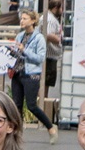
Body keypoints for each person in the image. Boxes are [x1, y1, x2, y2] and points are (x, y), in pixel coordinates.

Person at [7, 11, 58, 139]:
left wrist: (24, 50)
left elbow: (40, 58)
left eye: (25, 18)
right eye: (21, 18)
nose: (22, 21)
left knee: (31, 105)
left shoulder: (39, 38)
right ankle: (17, 134)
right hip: (17, 73)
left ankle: (50, 127)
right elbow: (18, 55)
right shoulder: (20, 36)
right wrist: (12, 51)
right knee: (17, 105)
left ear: (33, 21)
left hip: (31, 75)